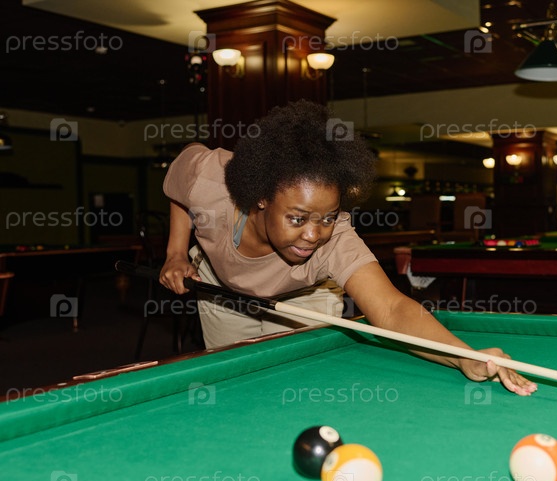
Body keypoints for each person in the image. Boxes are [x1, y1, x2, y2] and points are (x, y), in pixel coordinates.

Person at [159, 100, 536, 396]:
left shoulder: (335, 239)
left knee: (301, 386)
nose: (313, 235)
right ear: (260, 197)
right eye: (297, 218)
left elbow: (390, 308)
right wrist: (175, 254)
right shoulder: (212, 179)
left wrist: (463, 356)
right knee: (234, 383)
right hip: (221, 287)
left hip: (305, 295)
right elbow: (180, 187)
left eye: (327, 216)